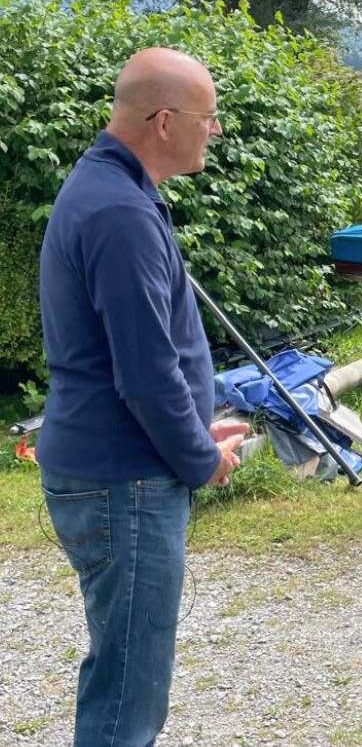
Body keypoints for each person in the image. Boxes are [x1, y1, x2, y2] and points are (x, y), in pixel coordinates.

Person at [38, 47, 248, 747]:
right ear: (164, 121)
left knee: (124, 669)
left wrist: (194, 430)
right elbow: (145, 371)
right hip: (121, 483)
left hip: (115, 472)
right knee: (128, 690)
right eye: (208, 117)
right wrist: (197, 457)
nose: (214, 130)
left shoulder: (113, 191)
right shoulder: (118, 211)